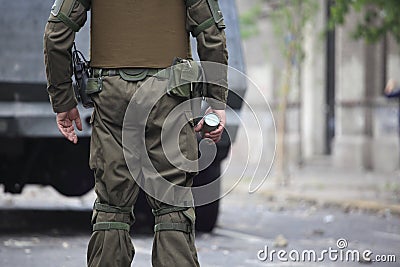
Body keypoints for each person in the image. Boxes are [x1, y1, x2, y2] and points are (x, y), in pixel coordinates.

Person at [43, 0, 228, 266]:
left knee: (111, 208)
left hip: (110, 95)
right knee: (173, 207)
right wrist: (216, 102)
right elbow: (211, 32)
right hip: (170, 95)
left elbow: (56, 33)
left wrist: (63, 100)